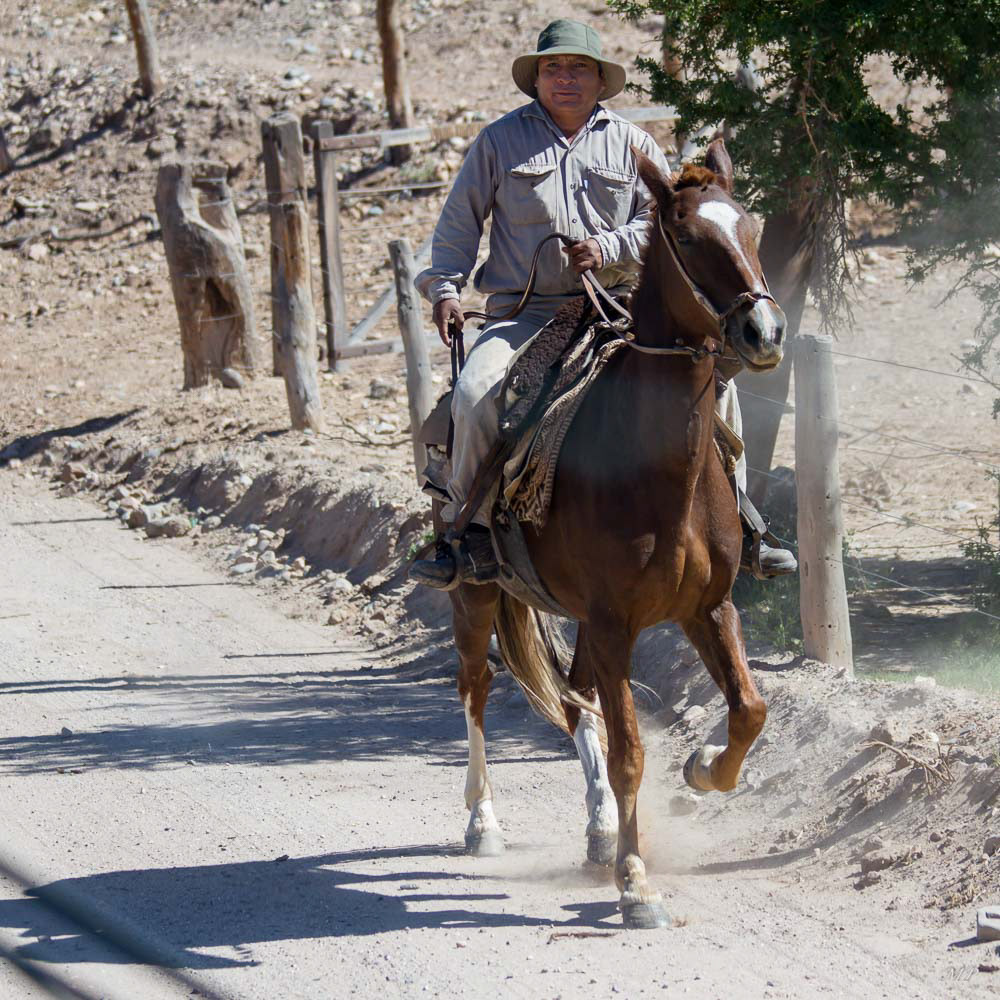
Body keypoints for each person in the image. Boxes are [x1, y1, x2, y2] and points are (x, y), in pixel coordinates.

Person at [410, 18, 796, 589]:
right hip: (526, 314)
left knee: (720, 388)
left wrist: (607, 247)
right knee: (474, 395)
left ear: (599, 79)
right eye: (553, 68)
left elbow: (666, 220)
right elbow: (456, 229)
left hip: (620, 308)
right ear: (537, 78)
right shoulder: (497, 142)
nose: (565, 78)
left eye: (578, 68)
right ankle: (468, 533)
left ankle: (739, 523)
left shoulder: (634, 143)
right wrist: (444, 290)